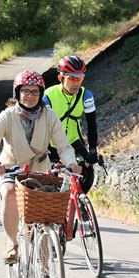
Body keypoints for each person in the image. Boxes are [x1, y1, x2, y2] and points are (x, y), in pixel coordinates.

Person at [0, 70, 81, 263]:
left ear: (41, 93)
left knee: (43, 218)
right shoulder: (7, 116)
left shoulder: (50, 115)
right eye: (25, 91)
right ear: (17, 93)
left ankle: (44, 271)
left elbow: (63, 145)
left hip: (40, 170)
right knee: (9, 193)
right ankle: (12, 245)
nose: (30, 96)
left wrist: (71, 163)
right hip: (10, 169)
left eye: (35, 91)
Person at [43, 55, 99, 194]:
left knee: (87, 173)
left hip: (74, 140)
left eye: (79, 79)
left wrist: (92, 150)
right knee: (51, 179)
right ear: (61, 78)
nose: (76, 83)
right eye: (72, 79)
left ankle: (79, 203)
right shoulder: (48, 96)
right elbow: (41, 125)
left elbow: (92, 124)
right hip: (51, 143)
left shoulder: (86, 95)